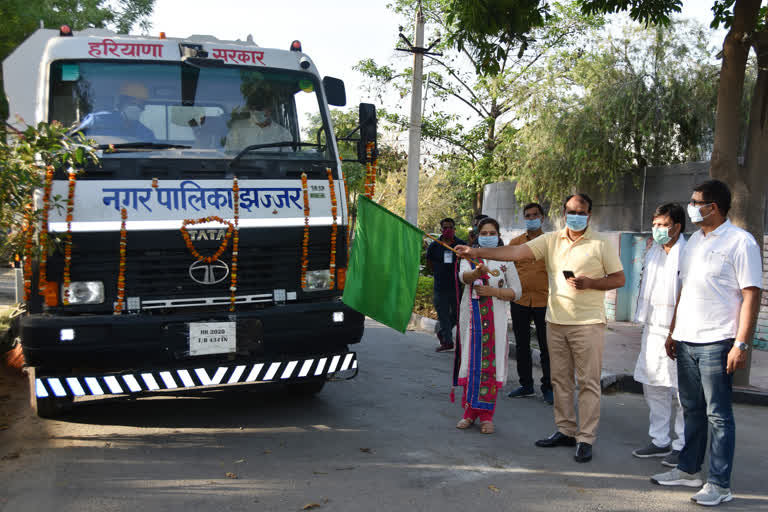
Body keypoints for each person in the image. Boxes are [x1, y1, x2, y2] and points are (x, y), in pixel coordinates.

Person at [456, 193, 625, 463]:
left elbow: (619, 279)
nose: (575, 215)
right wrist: (475, 251)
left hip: (587, 323)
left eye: (581, 211)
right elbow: (513, 252)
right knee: (560, 380)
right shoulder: (551, 240)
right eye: (571, 210)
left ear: (589, 215)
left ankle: (585, 438)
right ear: (563, 212)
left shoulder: (601, 243)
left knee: (588, 383)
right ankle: (566, 430)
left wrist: (591, 283)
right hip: (556, 321)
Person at [650, 180, 761, 507]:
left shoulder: (741, 242)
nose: (692, 206)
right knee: (692, 409)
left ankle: (719, 482)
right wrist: (673, 331)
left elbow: (751, 293)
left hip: (717, 341)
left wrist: (741, 343)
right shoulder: (694, 242)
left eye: (697, 202)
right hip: (686, 340)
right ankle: (688, 469)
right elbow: (684, 290)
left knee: (719, 415)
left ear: (714, 207)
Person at [454, 217, 522, 434]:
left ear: (499, 236)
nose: (489, 237)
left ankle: (486, 416)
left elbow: (517, 291)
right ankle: (468, 413)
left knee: (489, 368)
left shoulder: (507, 260)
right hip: (472, 321)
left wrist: (494, 292)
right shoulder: (469, 256)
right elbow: (463, 277)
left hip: (497, 322)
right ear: (477, 235)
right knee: (471, 363)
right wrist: (476, 274)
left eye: (493, 233)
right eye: (484, 233)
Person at [632, 203, 687, 468]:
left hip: (680, 330)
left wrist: (675, 331)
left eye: (663, 225)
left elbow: (686, 294)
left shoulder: (687, 252)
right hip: (653, 327)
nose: (658, 230)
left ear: (677, 227)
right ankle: (659, 440)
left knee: (681, 390)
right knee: (653, 383)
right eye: (655, 225)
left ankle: (682, 445)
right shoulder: (653, 250)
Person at [506, 203, 553, 404]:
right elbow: (506, 268)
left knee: (547, 347)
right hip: (520, 300)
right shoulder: (515, 243)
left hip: (545, 301)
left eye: (535, 215)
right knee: (522, 345)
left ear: (542, 218)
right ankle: (526, 385)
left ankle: (548, 387)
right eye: (528, 216)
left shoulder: (551, 243)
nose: (531, 218)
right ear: (524, 219)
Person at [426, 218, 466, 352]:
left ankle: (443, 333)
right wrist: (439, 272)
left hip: (456, 286)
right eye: (445, 228)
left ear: (454, 229)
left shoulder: (461, 244)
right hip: (440, 287)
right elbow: (429, 263)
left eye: (450, 227)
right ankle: (448, 342)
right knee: (443, 315)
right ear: (441, 229)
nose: (448, 230)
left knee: (456, 314)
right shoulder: (435, 245)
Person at [78, 82, 155, 141]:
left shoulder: (146, 133)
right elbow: (77, 140)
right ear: (121, 103)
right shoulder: (96, 120)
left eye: (140, 105)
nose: (136, 108)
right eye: (132, 103)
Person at [225, 97, 292, 152]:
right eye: (254, 108)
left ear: (270, 109)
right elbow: (229, 156)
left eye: (261, 108)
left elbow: (287, 162)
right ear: (250, 110)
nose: (257, 111)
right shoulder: (237, 128)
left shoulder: (283, 133)